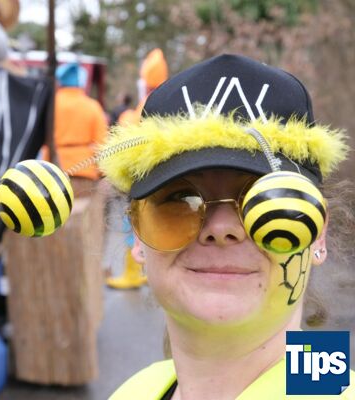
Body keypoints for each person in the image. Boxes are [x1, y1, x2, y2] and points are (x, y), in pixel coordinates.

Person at [96, 54, 355, 399]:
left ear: (317, 233)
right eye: (181, 198)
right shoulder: (136, 390)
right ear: (138, 231)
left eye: (266, 199)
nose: (220, 228)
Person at [105, 48, 168, 289]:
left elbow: (128, 131)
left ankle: (133, 274)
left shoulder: (146, 104)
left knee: (133, 224)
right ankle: (147, 272)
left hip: (140, 176)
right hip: (160, 176)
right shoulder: (169, 100)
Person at [43, 62, 108, 196]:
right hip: (84, 170)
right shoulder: (92, 106)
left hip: (52, 169)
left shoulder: (50, 104)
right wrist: (102, 172)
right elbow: (102, 144)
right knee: (81, 209)